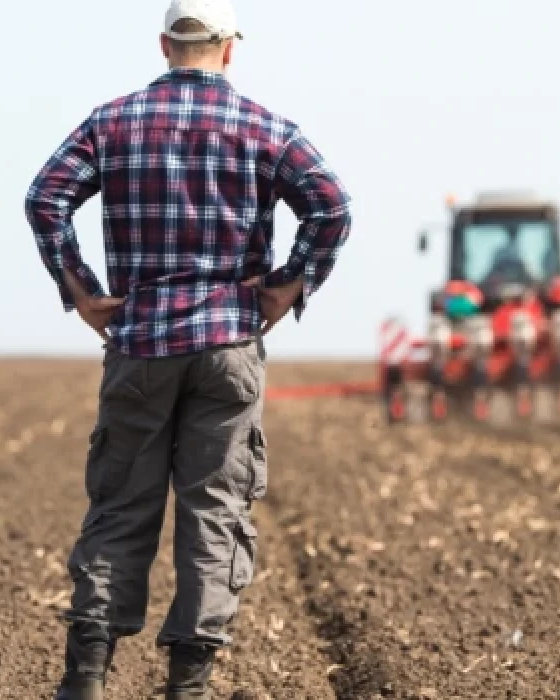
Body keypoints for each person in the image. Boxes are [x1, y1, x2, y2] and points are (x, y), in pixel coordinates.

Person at [23, 1, 352, 697]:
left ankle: (85, 680)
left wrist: (82, 291)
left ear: (164, 45)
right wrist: (287, 286)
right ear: (230, 49)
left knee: (121, 507)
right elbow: (332, 206)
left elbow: (45, 198)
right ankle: (189, 686)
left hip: (140, 343)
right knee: (216, 513)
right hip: (229, 344)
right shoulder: (267, 127)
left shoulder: (111, 122)